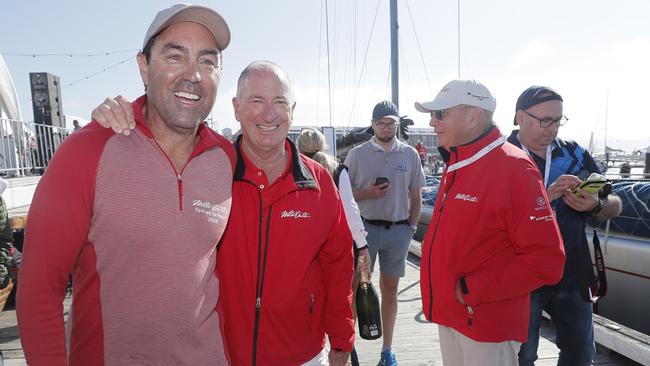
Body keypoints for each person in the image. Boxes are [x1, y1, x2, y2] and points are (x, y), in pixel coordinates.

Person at [93, 61, 356, 365]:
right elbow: (160, 143)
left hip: (303, 355)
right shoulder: (208, 171)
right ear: (236, 107)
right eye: (256, 101)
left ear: (293, 109)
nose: (269, 114)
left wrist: (341, 338)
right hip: (221, 354)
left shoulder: (319, 184)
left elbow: (338, 266)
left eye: (279, 102)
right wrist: (125, 114)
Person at [16, 4, 235, 365]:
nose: (194, 74)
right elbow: (39, 290)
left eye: (208, 61)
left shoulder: (225, 157)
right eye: (175, 55)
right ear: (144, 67)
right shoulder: (87, 150)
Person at [415, 79, 566, 366]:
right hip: (454, 316)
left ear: (474, 115)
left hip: (486, 323)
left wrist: (472, 289)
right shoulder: (460, 163)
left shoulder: (514, 168)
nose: (433, 122)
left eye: (440, 114)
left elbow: (547, 260)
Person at [509, 85, 622, 366]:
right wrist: (544, 197)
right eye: (545, 120)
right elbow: (488, 218)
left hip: (573, 273)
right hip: (521, 276)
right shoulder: (502, 156)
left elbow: (615, 204)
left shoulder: (575, 154)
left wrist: (595, 205)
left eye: (558, 120)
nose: (552, 128)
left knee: (581, 355)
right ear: (520, 117)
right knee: (522, 357)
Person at [344, 100, 426, 365]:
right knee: (358, 287)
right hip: (364, 233)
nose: (386, 127)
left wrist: (411, 228)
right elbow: (342, 195)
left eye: (390, 123)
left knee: (390, 291)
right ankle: (348, 347)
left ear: (397, 124)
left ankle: (387, 351)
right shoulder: (356, 155)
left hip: (398, 232)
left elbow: (416, 195)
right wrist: (368, 193)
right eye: (380, 123)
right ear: (372, 124)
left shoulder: (410, 154)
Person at [297, 127, 370, 366]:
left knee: (312, 310)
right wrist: (362, 247)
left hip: (307, 254)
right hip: (339, 252)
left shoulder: (294, 170)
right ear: (323, 145)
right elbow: (351, 212)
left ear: (299, 148)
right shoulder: (339, 171)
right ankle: (344, 352)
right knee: (340, 308)